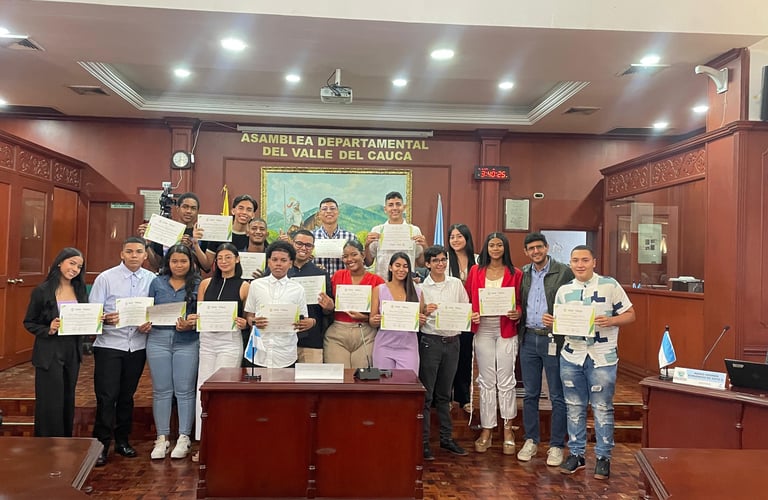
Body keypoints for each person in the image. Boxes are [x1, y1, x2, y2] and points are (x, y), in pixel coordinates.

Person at [546, 245, 635, 480]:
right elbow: (561, 323)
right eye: (575, 260)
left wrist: (611, 320)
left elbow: (630, 314)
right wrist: (552, 322)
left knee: (602, 407)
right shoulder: (564, 290)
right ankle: (576, 454)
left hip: (602, 356)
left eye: (585, 260)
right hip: (571, 355)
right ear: (570, 263)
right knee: (574, 406)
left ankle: (603, 457)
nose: (580, 264)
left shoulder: (610, 285)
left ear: (594, 262)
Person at [89, 236, 156, 466]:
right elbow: (93, 312)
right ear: (122, 254)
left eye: (138, 251)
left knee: (127, 396)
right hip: (110, 344)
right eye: (129, 251)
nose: (134, 255)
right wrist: (105, 319)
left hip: (137, 346)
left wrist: (150, 324)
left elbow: (156, 311)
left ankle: (122, 440)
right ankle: (100, 445)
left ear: (145, 255)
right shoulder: (105, 278)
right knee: (107, 397)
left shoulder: (152, 279)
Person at [516, 232, 574, 466]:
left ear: (547, 247)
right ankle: (531, 440)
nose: (536, 251)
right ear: (526, 252)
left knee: (556, 395)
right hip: (528, 338)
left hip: (554, 339)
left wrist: (558, 319)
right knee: (530, 393)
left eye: (539, 247)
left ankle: (557, 445)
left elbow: (573, 303)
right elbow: (519, 301)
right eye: (531, 248)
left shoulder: (564, 271)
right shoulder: (523, 273)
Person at [465, 232, 522, 455]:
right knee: (487, 380)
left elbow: (520, 302)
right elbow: (468, 299)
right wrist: (471, 313)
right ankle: (487, 429)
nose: (495, 249)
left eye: (499, 245)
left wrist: (518, 312)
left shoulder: (515, 273)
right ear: (486, 248)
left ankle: (508, 429)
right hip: (483, 330)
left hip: (506, 329)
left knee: (506, 379)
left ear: (505, 248)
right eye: (492, 245)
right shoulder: (475, 271)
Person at [23, 247, 88, 437]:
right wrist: (48, 329)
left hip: (72, 350)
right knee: (50, 400)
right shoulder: (42, 291)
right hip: (49, 350)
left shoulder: (80, 290)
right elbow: (29, 322)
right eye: (72, 263)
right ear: (60, 262)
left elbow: (84, 317)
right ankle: (47, 443)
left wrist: (94, 319)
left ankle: (65, 440)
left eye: (79, 266)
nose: (75, 269)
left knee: (67, 397)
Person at [146, 244, 200, 460]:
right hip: (157, 339)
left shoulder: (198, 284)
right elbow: (146, 309)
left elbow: (202, 315)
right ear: (168, 263)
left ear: (191, 263)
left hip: (187, 341)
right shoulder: (157, 282)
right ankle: (162, 438)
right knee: (161, 390)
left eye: (183, 261)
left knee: (184, 390)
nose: (179, 265)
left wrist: (192, 322)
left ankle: (184, 437)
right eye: (174, 261)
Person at [195, 243, 250, 455]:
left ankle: (224, 441)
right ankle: (203, 441)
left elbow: (248, 318)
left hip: (230, 341)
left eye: (228, 257)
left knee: (224, 390)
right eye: (220, 258)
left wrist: (245, 323)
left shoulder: (245, 286)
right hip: (207, 340)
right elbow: (200, 312)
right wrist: (195, 318)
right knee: (202, 388)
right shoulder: (206, 283)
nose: (224, 261)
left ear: (237, 259)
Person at [418, 245, 469, 460]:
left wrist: (470, 315)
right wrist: (424, 311)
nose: (441, 264)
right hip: (431, 342)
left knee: (445, 394)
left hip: (453, 342)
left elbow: (465, 308)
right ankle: (423, 442)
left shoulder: (456, 284)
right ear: (427, 264)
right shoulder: (421, 287)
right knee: (427, 394)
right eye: (436, 260)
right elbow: (417, 317)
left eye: (443, 259)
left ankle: (446, 439)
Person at [244, 241, 313, 367]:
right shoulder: (256, 285)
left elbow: (303, 319)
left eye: (283, 260)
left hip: (285, 353)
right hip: (259, 352)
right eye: (274, 259)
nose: (278, 264)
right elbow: (249, 316)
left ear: (290, 263)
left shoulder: (298, 289)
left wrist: (309, 323)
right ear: (268, 262)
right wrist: (253, 321)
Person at [323, 240, 385, 368]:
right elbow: (328, 308)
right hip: (338, 333)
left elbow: (383, 315)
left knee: (361, 376)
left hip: (366, 333)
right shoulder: (337, 276)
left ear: (363, 255)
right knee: (339, 374)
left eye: (354, 254)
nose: (349, 259)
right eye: (345, 256)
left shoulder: (377, 281)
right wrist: (329, 307)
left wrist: (366, 318)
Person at [369, 252, 426, 374]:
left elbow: (419, 325)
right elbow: (372, 321)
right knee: (383, 383)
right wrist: (375, 320)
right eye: (397, 265)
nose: (401, 269)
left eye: (405, 266)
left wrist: (421, 321)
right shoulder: (379, 290)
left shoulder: (417, 292)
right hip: (384, 346)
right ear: (390, 267)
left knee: (408, 382)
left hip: (408, 347)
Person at [289, 230, 334, 363]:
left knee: (311, 376)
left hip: (311, 340)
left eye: (308, 245)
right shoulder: (279, 271)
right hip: (282, 339)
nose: (303, 248)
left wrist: (329, 307)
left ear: (313, 248)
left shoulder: (320, 274)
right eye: (299, 243)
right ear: (292, 243)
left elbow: (326, 311)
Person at [446, 223, 477, 414]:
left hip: (470, 315)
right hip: (449, 315)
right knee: (449, 358)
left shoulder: (478, 260)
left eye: (459, 236)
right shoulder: (444, 260)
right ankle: (447, 397)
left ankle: (464, 397)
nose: (455, 240)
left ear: (467, 238)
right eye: (452, 237)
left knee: (465, 357)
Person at [138, 192, 211, 272]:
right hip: (167, 277)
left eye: (193, 208)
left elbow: (206, 267)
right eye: (185, 207)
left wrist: (190, 249)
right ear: (177, 209)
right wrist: (146, 244)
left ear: (197, 211)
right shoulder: (165, 230)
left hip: (193, 278)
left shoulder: (201, 234)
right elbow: (157, 264)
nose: (189, 211)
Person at [364, 191, 428, 279]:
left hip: (406, 282)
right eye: (390, 205)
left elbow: (421, 264)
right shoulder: (377, 231)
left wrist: (425, 246)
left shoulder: (414, 230)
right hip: (383, 281)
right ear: (385, 209)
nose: (395, 208)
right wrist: (366, 245)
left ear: (404, 207)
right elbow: (368, 263)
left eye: (398, 204)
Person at [312, 197, 357, 276]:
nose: (329, 211)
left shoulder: (350, 237)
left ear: (338, 212)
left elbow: (357, 262)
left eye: (332, 208)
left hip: (343, 281)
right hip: (318, 281)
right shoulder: (311, 237)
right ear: (319, 214)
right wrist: (312, 267)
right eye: (324, 209)